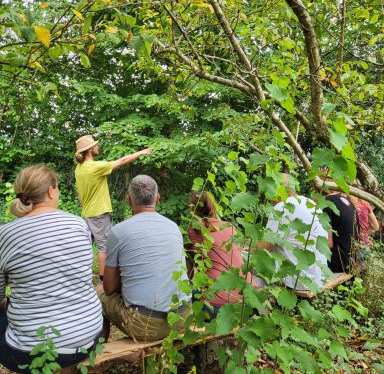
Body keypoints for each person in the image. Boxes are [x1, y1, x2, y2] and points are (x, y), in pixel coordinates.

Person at [0, 165, 102, 373]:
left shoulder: (5, 234)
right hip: (87, 337)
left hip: (30, 352)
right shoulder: (79, 225)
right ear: (50, 191)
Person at [98, 175, 192, 342]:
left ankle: (100, 351)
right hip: (182, 319)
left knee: (99, 294)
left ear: (129, 201)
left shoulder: (119, 231)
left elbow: (109, 288)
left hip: (146, 326)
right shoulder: (174, 227)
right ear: (158, 198)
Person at [74, 134, 152, 281]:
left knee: (86, 246)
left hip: (87, 213)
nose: (98, 147)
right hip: (99, 214)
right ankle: (104, 280)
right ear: (90, 150)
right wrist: (141, 152)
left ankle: (81, 276)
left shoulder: (79, 169)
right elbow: (122, 161)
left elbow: (80, 194)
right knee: (104, 247)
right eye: (95, 145)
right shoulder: (95, 167)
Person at [187, 191, 258, 318]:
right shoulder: (229, 226)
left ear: (192, 208)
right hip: (249, 302)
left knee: (185, 288)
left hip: (220, 308)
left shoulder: (195, 230)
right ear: (214, 206)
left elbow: (189, 270)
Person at [264, 174, 330, 291]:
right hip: (319, 278)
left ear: (276, 191)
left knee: (253, 263)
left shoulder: (282, 207)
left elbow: (264, 246)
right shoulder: (310, 203)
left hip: (299, 280)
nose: (268, 197)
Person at [324, 189, 358, 273]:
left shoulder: (327, 203)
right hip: (351, 259)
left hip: (337, 263)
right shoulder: (348, 201)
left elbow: (329, 243)